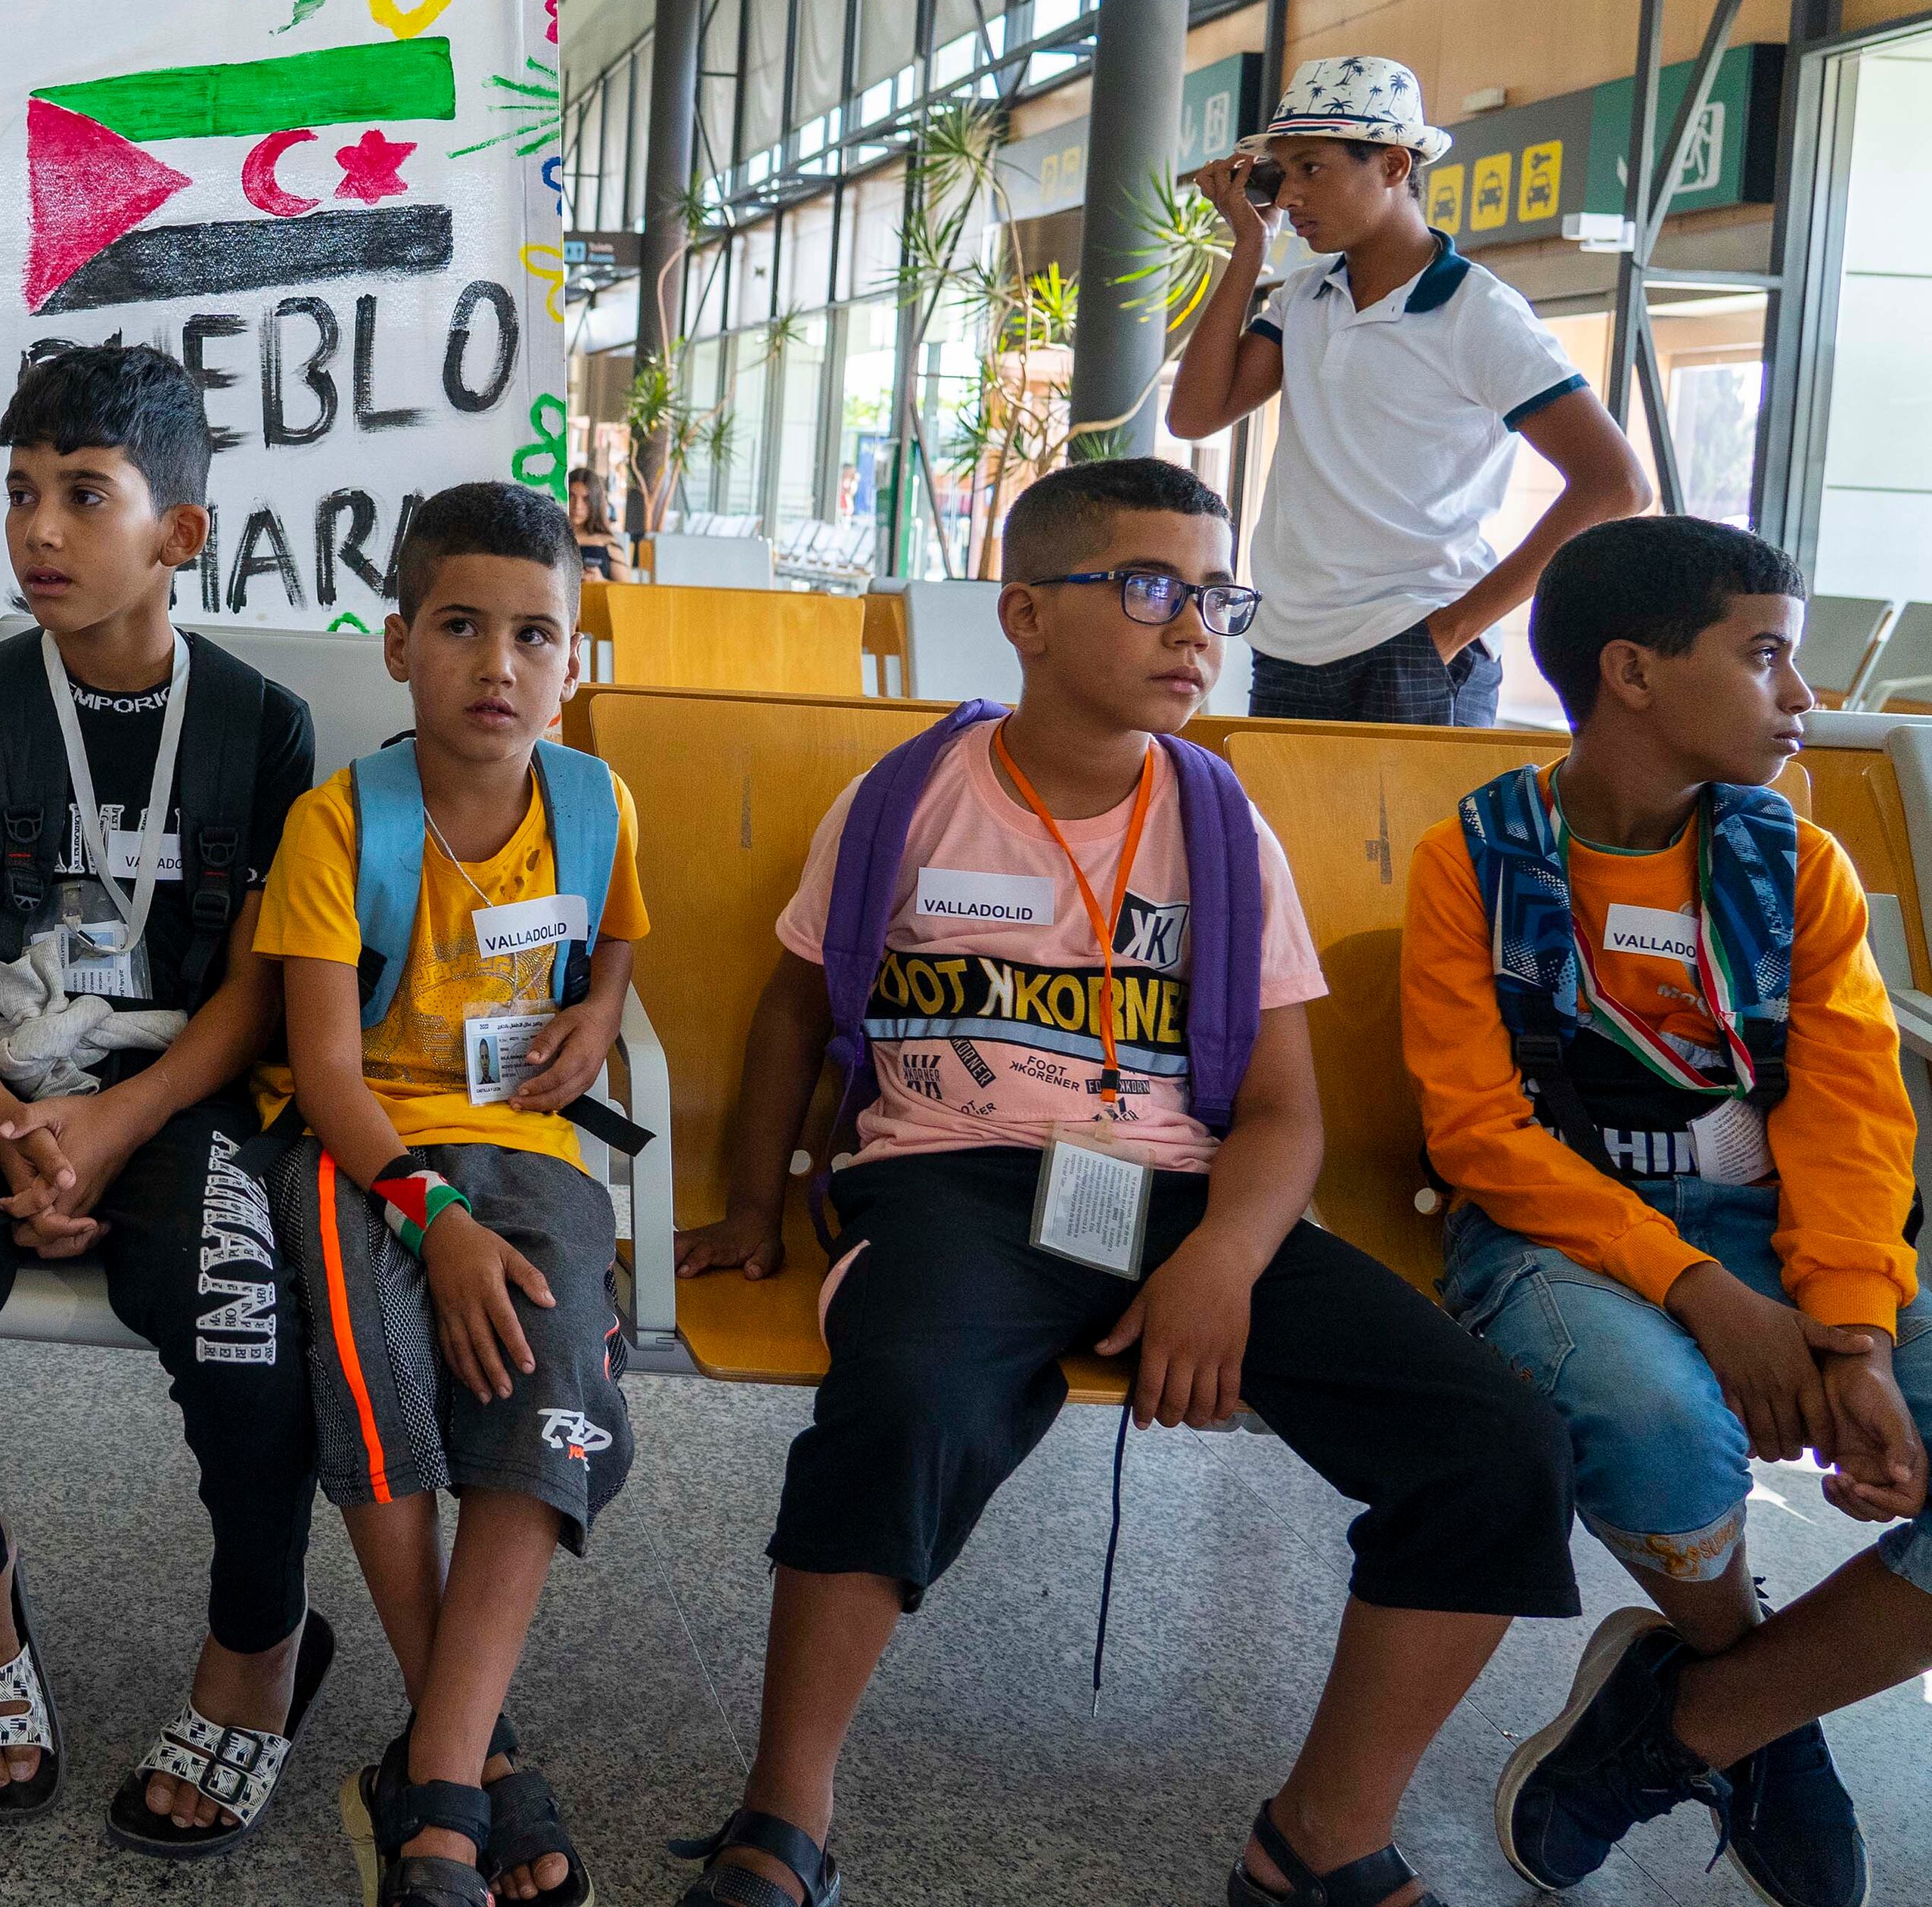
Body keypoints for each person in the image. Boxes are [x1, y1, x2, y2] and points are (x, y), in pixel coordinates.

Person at [668, 455, 1577, 1907]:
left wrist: (1221, 1258)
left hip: (1180, 1192)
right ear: (1025, 613)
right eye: (1150, 586)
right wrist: (752, 1206)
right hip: (952, 1180)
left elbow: (1283, 1110)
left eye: (1216, 593)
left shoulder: (1223, 829)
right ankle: (785, 1807)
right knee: (903, 1403)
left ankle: (1323, 1834)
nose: (1194, 625)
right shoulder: (910, 799)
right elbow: (793, 1009)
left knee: (1502, 1447)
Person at [0, 342, 331, 1856]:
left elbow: (254, 986)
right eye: (21, 492)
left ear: (180, 532)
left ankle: (258, 1638)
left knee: (246, 1328)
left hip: (175, 1093)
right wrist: (11, 1117)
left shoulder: (261, 723)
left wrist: (117, 1117)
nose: (38, 528)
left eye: (82, 495)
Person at [1399, 516, 1926, 1907]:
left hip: (1779, 1234)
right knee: (1660, 1423)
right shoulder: (1481, 860)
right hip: (1561, 1236)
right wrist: (1706, 1292)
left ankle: (1706, 1716)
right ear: (1630, 670)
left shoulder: (1793, 866)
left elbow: (1852, 1112)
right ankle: (1775, 1724)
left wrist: (1856, 1332)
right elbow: (1482, 1135)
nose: (1801, 698)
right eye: (1766, 656)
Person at [262, 482, 641, 1907]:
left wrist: (600, 1013)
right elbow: (325, 1073)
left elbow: (610, 948)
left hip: (536, 1156)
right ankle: (467, 1769)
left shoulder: (601, 804)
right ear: (398, 644)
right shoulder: (338, 823)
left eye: (537, 635)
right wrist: (437, 1217)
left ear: (572, 660)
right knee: (380, 1388)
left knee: (544, 1380)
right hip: (368, 1157)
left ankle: (435, 1772)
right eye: (463, 627)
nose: (501, 664)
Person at [1165, 54, 1646, 727]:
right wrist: (1252, 245)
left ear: (1393, 166)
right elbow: (1193, 415)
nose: (1293, 195)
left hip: (1414, 644)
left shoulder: (1479, 312)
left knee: (1418, 839)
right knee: (1291, 837)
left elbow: (1617, 485)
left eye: (1312, 168)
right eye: (1284, 171)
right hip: (1285, 643)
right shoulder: (1305, 295)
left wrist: (1450, 631)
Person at [566, 466, 620, 579]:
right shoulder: (551, 539)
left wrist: (600, 582)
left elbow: (628, 592)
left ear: (595, 503)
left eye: (585, 499)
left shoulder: (608, 542)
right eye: (572, 497)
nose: (577, 506)